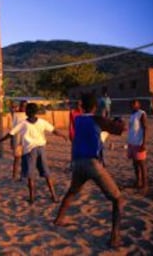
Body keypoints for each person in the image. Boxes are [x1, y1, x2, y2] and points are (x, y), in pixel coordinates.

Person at [54, 93, 126, 248]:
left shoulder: (78, 119)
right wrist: (119, 121)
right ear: (95, 106)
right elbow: (120, 130)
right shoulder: (97, 119)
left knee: (72, 192)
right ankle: (114, 238)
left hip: (78, 162)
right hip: (92, 164)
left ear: (82, 106)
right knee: (118, 200)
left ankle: (59, 219)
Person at [0, 103, 67, 203]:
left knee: (30, 175)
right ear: (36, 112)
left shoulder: (23, 124)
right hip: (41, 149)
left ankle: (32, 198)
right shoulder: (42, 122)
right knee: (47, 174)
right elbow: (53, 131)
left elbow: (10, 134)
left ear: (27, 112)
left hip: (29, 151)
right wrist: (63, 136)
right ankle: (54, 196)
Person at [127, 99, 148, 195]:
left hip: (139, 143)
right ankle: (138, 181)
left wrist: (144, 143)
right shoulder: (132, 115)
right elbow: (131, 128)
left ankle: (145, 184)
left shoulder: (141, 113)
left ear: (138, 105)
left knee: (142, 164)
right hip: (131, 142)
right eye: (131, 104)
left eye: (134, 104)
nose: (132, 106)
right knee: (135, 163)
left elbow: (145, 128)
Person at [10, 101, 27, 180]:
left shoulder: (28, 116)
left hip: (26, 139)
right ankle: (14, 176)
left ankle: (22, 176)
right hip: (17, 139)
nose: (23, 107)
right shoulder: (16, 115)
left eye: (25, 106)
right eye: (22, 106)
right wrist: (11, 140)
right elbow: (13, 128)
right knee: (17, 158)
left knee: (25, 159)